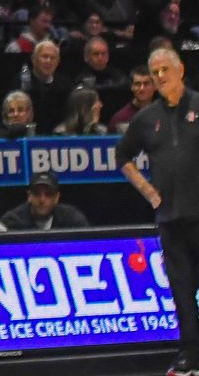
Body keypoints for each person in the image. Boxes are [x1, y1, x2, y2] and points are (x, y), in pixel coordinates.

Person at [116, 48, 199, 376]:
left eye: (166, 69)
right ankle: (190, 354)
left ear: (180, 70)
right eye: (155, 72)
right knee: (181, 291)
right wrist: (147, 190)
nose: (160, 76)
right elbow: (122, 156)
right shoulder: (146, 119)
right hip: (171, 219)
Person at [0, 173, 89, 231]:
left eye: (48, 194)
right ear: (29, 196)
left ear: (57, 197)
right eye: (37, 194)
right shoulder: (12, 221)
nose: (42, 200)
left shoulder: (72, 219)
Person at [109, 64, 156, 132]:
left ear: (155, 86)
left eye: (146, 84)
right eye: (137, 84)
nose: (142, 89)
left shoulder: (163, 115)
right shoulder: (119, 119)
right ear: (131, 87)